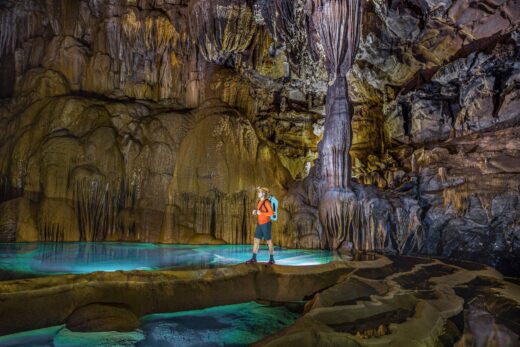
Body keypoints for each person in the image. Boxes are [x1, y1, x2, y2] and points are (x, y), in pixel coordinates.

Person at [246, 186, 275, 265]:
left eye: (259, 192)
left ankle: (272, 259)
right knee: (256, 241)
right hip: (260, 224)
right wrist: (255, 212)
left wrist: (261, 213)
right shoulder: (259, 202)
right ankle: (254, 258)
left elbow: (272, 213)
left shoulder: (267, 202)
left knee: (269, 241)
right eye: (258, 192)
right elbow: (260, 212)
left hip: (266, 224)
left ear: (263, 193)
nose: (258, 193)